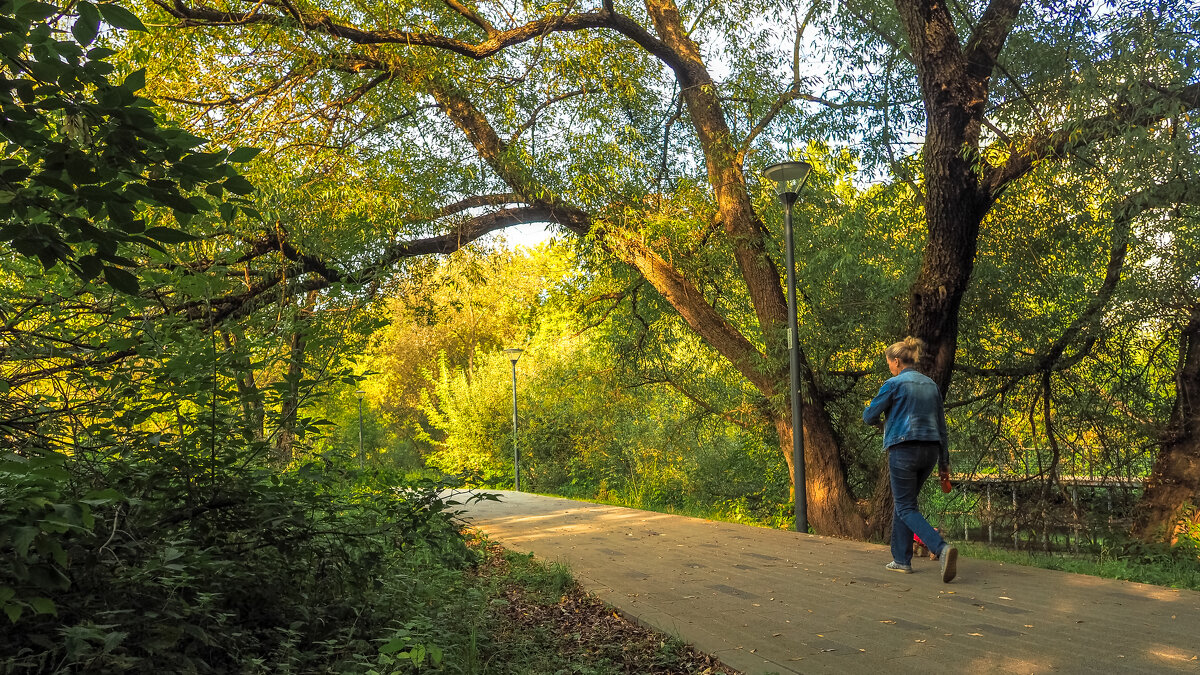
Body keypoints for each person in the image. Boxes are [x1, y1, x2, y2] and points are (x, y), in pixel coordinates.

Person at [863, 336, 958, 582]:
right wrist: (944, 462)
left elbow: (869, 415)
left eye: (889, 364)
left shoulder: (894, 384)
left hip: (904, 449)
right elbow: (942, 426)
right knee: (905, 504)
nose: (890, 368)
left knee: (905, 505)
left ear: (896, 361)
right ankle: (902, 560)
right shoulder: (931, 385)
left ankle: (941, 548)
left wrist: (881, 424)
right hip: (930, 451)